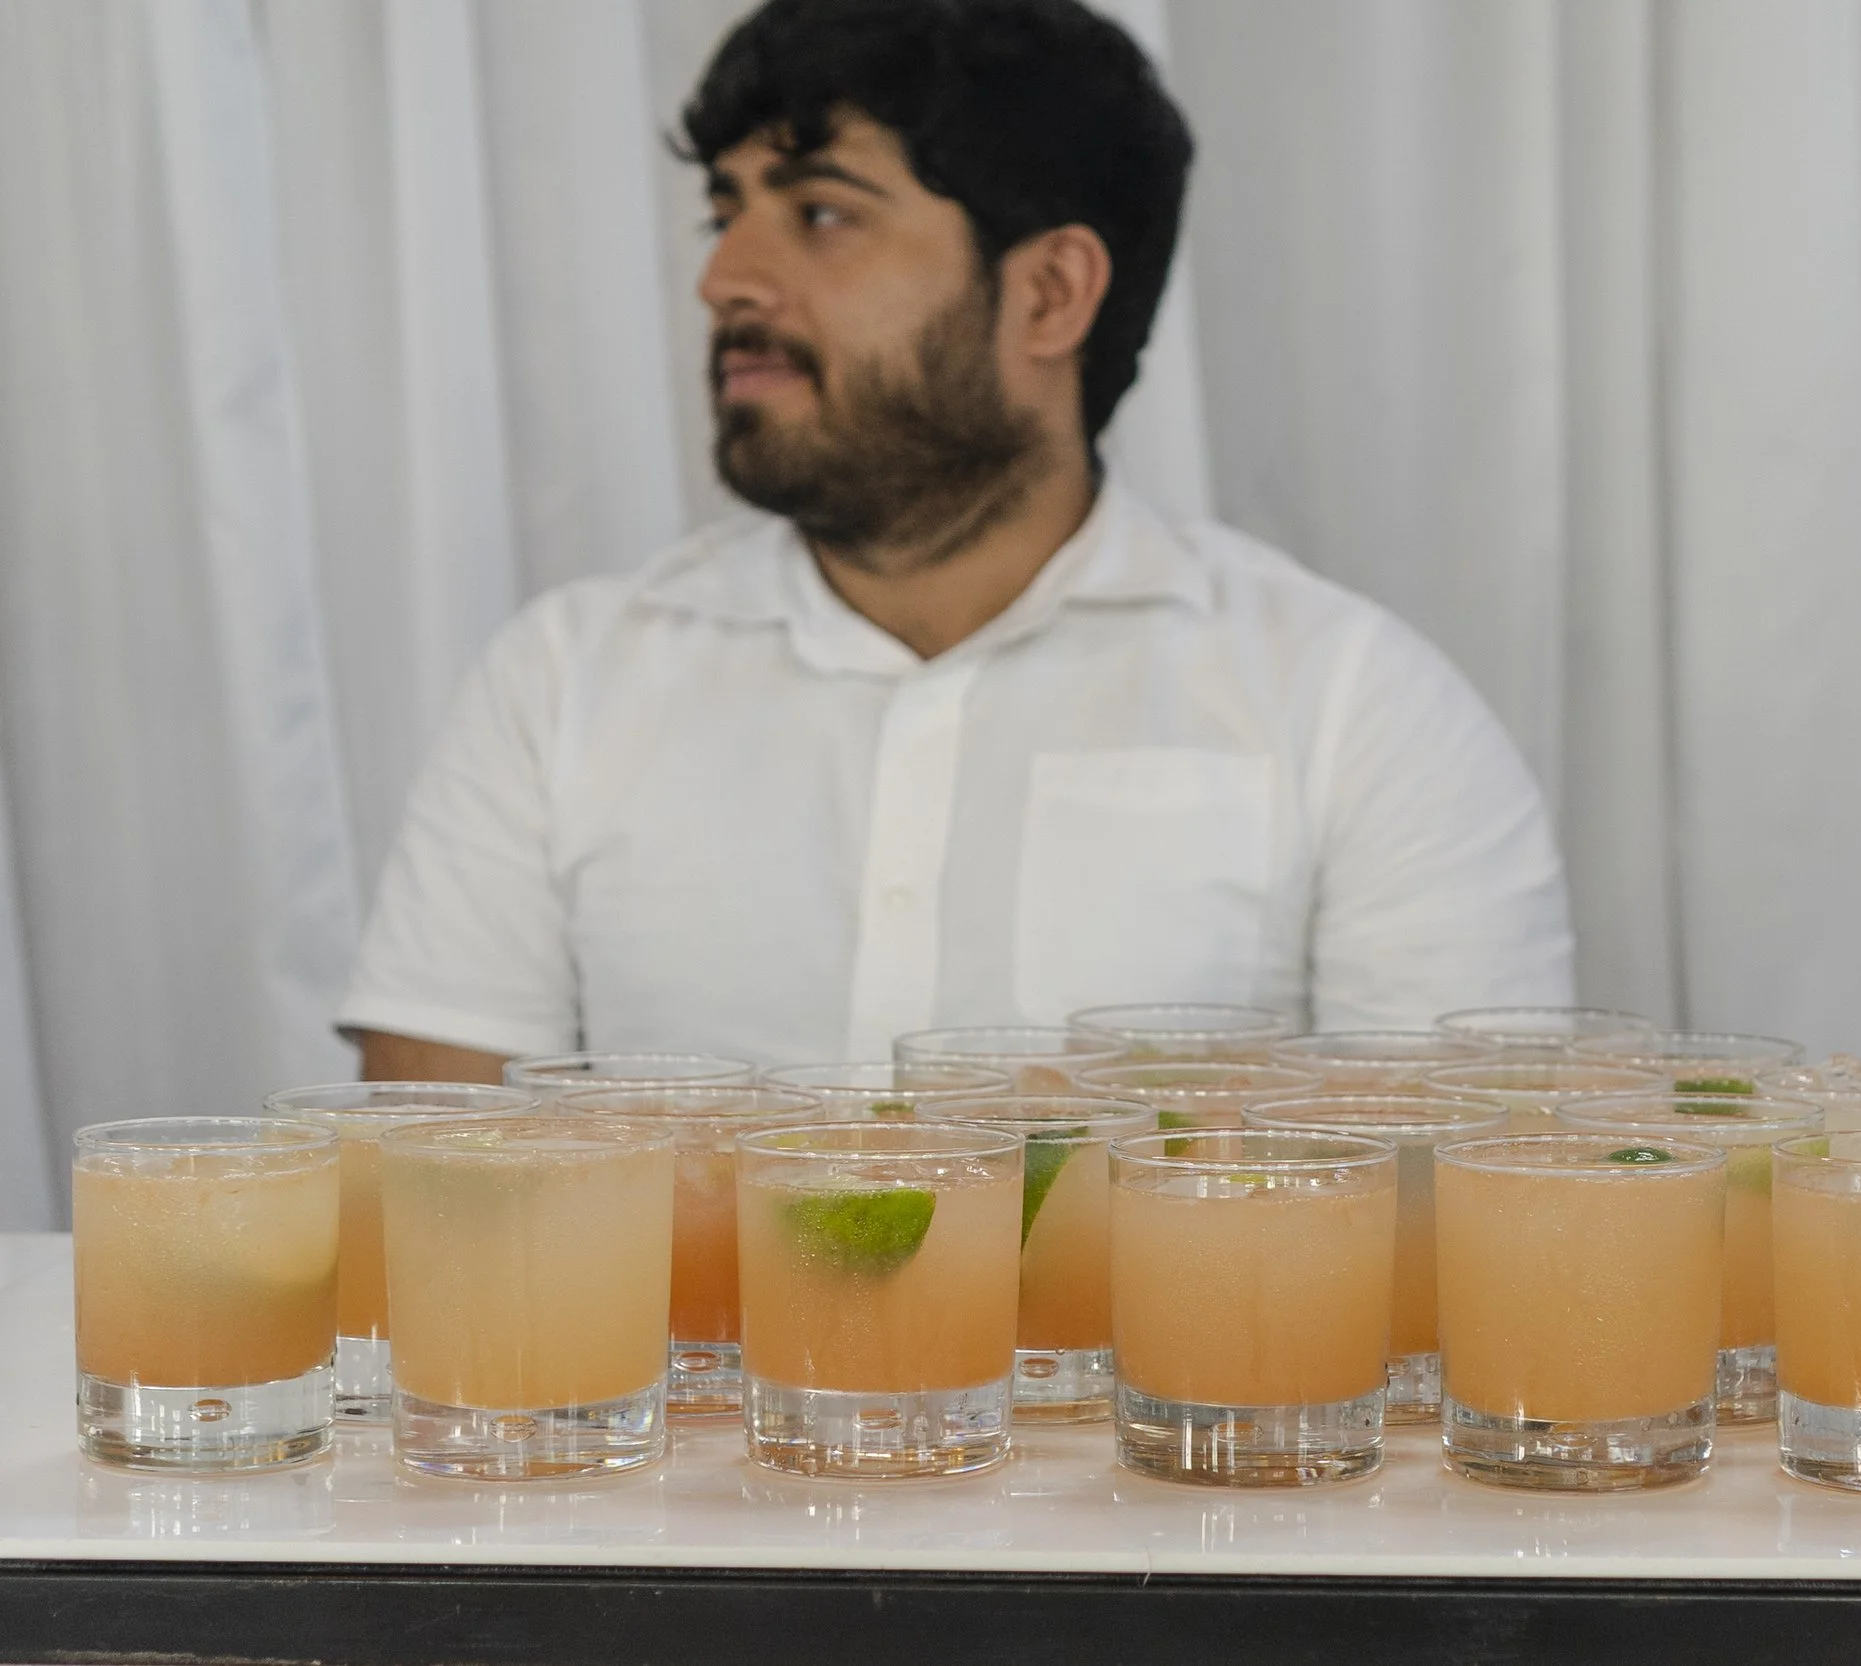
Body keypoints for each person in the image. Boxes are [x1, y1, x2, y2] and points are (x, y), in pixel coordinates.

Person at [341, 0, 1572, 1083]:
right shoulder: (565, 679)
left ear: (1049, 295)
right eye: (725, 211)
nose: (725, 276)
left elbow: (1454, 1224)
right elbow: (449, 1212)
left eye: (820, 212)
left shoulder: (1351, 707)